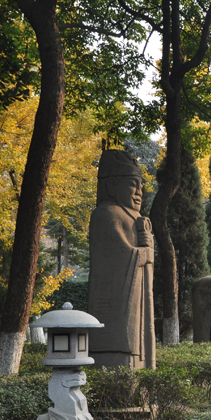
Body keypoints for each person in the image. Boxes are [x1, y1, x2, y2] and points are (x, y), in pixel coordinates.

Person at [87, 150, 155, 369]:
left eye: (141, 187)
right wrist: (144, 252)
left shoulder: (135, 216)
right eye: (133, 185)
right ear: (112, 184)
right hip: (114, 300)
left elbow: (142, 259)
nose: (139, 192)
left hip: (138, 295)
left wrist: (148, 247)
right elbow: (117, 256)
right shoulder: (107, 213)